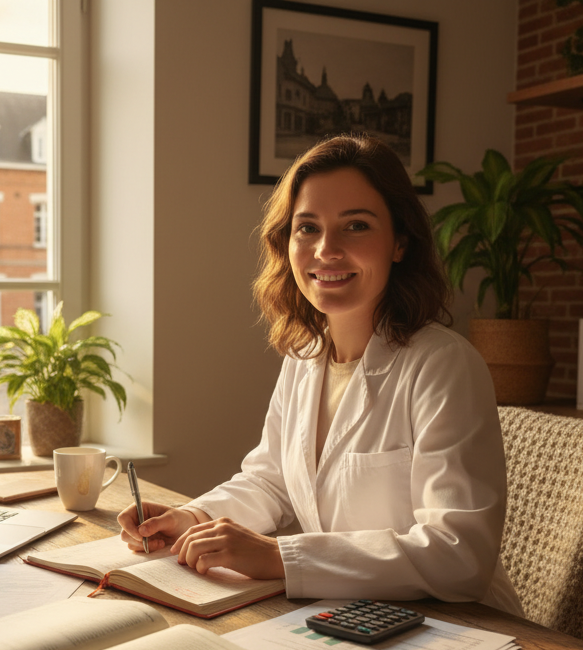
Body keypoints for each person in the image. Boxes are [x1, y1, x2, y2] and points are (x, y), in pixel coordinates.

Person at [118, 134, 523, 616]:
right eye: (307, 227)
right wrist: (192, 517)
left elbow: (459, 555)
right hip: (349, 616)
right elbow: (273, 482)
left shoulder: (444, 365)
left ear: (399, 243)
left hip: (459, 628)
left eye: (356, 225)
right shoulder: (306, 355)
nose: (326, 249)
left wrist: (279, 557)